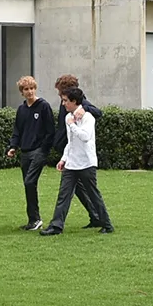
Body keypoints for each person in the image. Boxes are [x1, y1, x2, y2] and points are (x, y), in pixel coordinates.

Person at [40, 86, 111, 235]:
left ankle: (106, 224)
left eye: (65, 101)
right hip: (72, 163)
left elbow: (85, 137)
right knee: (63, 195)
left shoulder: (88, 118)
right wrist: (64, 158)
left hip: (86, 163)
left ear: (74, 101)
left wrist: (72, 124)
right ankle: (56, 226)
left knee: (93, 194)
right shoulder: (68, 117)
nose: (63, 104)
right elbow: (71, 142)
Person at [51, 76, 104, 227]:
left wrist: (84, 109)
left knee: (81, 189)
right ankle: (96, 217)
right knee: (78, 189)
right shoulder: (66, 104)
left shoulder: (78, 103)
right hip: (70, 151)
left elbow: (97, 112)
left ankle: (98, 218)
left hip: (79, 156)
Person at [6, 75, 56, 230]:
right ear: (22, 92)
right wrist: (13, 146)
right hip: (25, 152)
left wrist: (43, 149)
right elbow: (17, 130)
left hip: (38, 151)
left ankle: (35, 219)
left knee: (29, 182)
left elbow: (50, 130)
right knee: (29, 185)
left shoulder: (43, 106)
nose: (30, 92)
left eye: (32, 88)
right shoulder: (21, 110)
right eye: (26, 89)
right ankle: (33, 219)